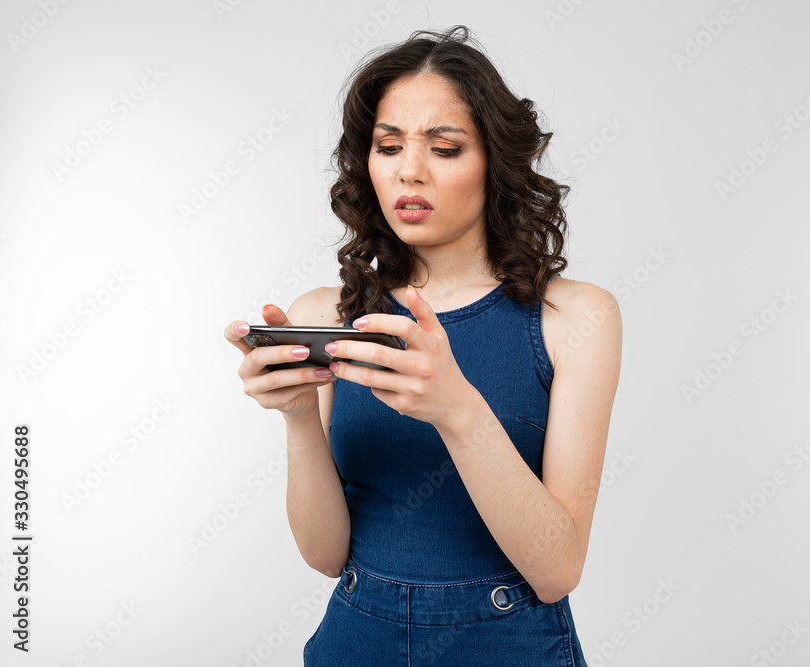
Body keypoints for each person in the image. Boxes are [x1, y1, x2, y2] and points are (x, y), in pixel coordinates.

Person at [225, 25, 622, 666]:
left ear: (494, 161)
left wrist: (458, 410)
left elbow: (557, 571)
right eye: (388, 147)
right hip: (355, 643)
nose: (409, 170)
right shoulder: (326, 314)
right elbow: (325, 555)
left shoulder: (574, 316)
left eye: (444, 148)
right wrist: (298, 415)